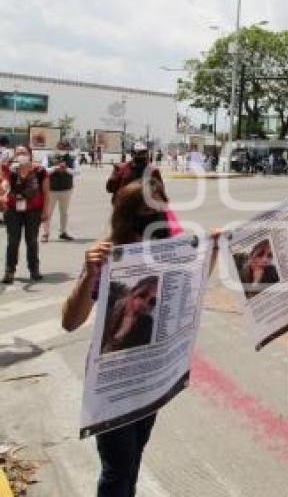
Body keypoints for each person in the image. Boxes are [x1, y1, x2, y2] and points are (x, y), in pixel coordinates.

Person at [61, 178, 214, 497]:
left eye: (160, 210)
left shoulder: (167, 251)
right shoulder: (107, 257)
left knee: (132, 461)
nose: (155, 217)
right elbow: (70, 322)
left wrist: (209, 253)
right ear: (128, 216)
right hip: (112, 383)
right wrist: (90, 272)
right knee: (117, 469)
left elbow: (188, 296)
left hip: (149, 379)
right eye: (146, 212)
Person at [1, 145, 49, 283]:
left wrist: (45, 211)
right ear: (14, 155)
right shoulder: (9, 169)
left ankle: (34, 269)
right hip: (12, 210)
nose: (21, 155)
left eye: (24, 152)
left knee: (32, 240)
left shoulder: (40, 171)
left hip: (33, 211)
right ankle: (9, 271)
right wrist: (4, 191)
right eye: (18, 153)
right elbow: (4, 183)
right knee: (13, 241)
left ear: (30, 154)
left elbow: (46, 192)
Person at [101, 276, 158, 354]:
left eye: (152, 302)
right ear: (132, 291)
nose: (144, 304)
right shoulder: (108, 305)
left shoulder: (147, 325)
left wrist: (123, 332)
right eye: (142, 295)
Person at [41, 140, 79, 241]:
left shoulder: (72, 158)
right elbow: (44, 170)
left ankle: (63, 232)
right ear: (57, 147)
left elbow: (77, 172)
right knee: (48, 212)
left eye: (65, 148)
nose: (63, 150)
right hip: (51, 189)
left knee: (64, 212)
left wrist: (66, 169)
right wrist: (55, 168)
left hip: (66, 189)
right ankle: (45, 233)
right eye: (61, 148)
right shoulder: (48, 157)